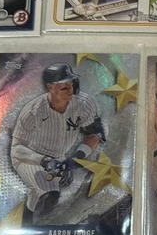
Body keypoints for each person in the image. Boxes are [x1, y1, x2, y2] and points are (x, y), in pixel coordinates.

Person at [10, 63, 105, 223]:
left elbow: (94, 135)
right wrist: (44, 160)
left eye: (72, 84)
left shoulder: (83, 103)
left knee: (42, 195)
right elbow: (16, 149)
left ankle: (28, 227)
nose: (70, 89)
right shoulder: (32, 111)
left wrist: (73, 161)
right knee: (48, 193)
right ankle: (31, 229)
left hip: (58, 157)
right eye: (64, 87)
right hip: (29, 158)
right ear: (50, 87)